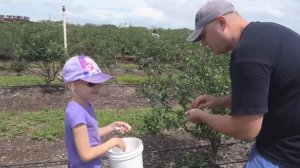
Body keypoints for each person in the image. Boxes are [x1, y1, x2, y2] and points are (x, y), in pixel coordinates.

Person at [185, 0, 300, 167]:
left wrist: (203, 117)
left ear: (222, 22)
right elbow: (272, 89)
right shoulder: (270, 32)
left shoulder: (247, 54)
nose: (203, 43)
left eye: (203, 36)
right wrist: (220, 101)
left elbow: (246, 129)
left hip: (281, 155)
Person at [62, 55, 131, 168]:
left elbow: (89, 134)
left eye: (99, 81)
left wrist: (112, 127)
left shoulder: (86, 104)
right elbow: (86, 154)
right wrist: (113, 142)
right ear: (72, 85)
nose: (98, 87)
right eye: (91, 83)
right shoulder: (76, 113)